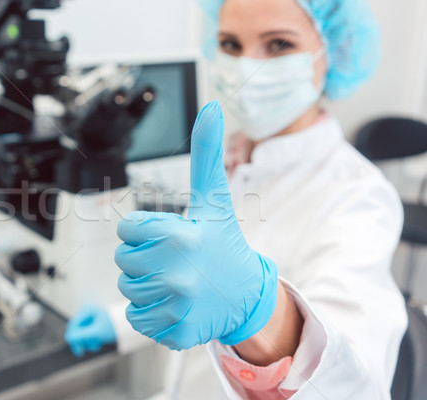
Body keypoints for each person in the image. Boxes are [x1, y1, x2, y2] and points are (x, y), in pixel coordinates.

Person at [66, 0, 407, 398]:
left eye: (278, 44)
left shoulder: (359, 197)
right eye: (229, 43)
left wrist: (258, 314)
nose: (248, 67)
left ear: (334, 52)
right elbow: (199, 290)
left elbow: (352, 387)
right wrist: (121, 321)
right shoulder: (228, 157)